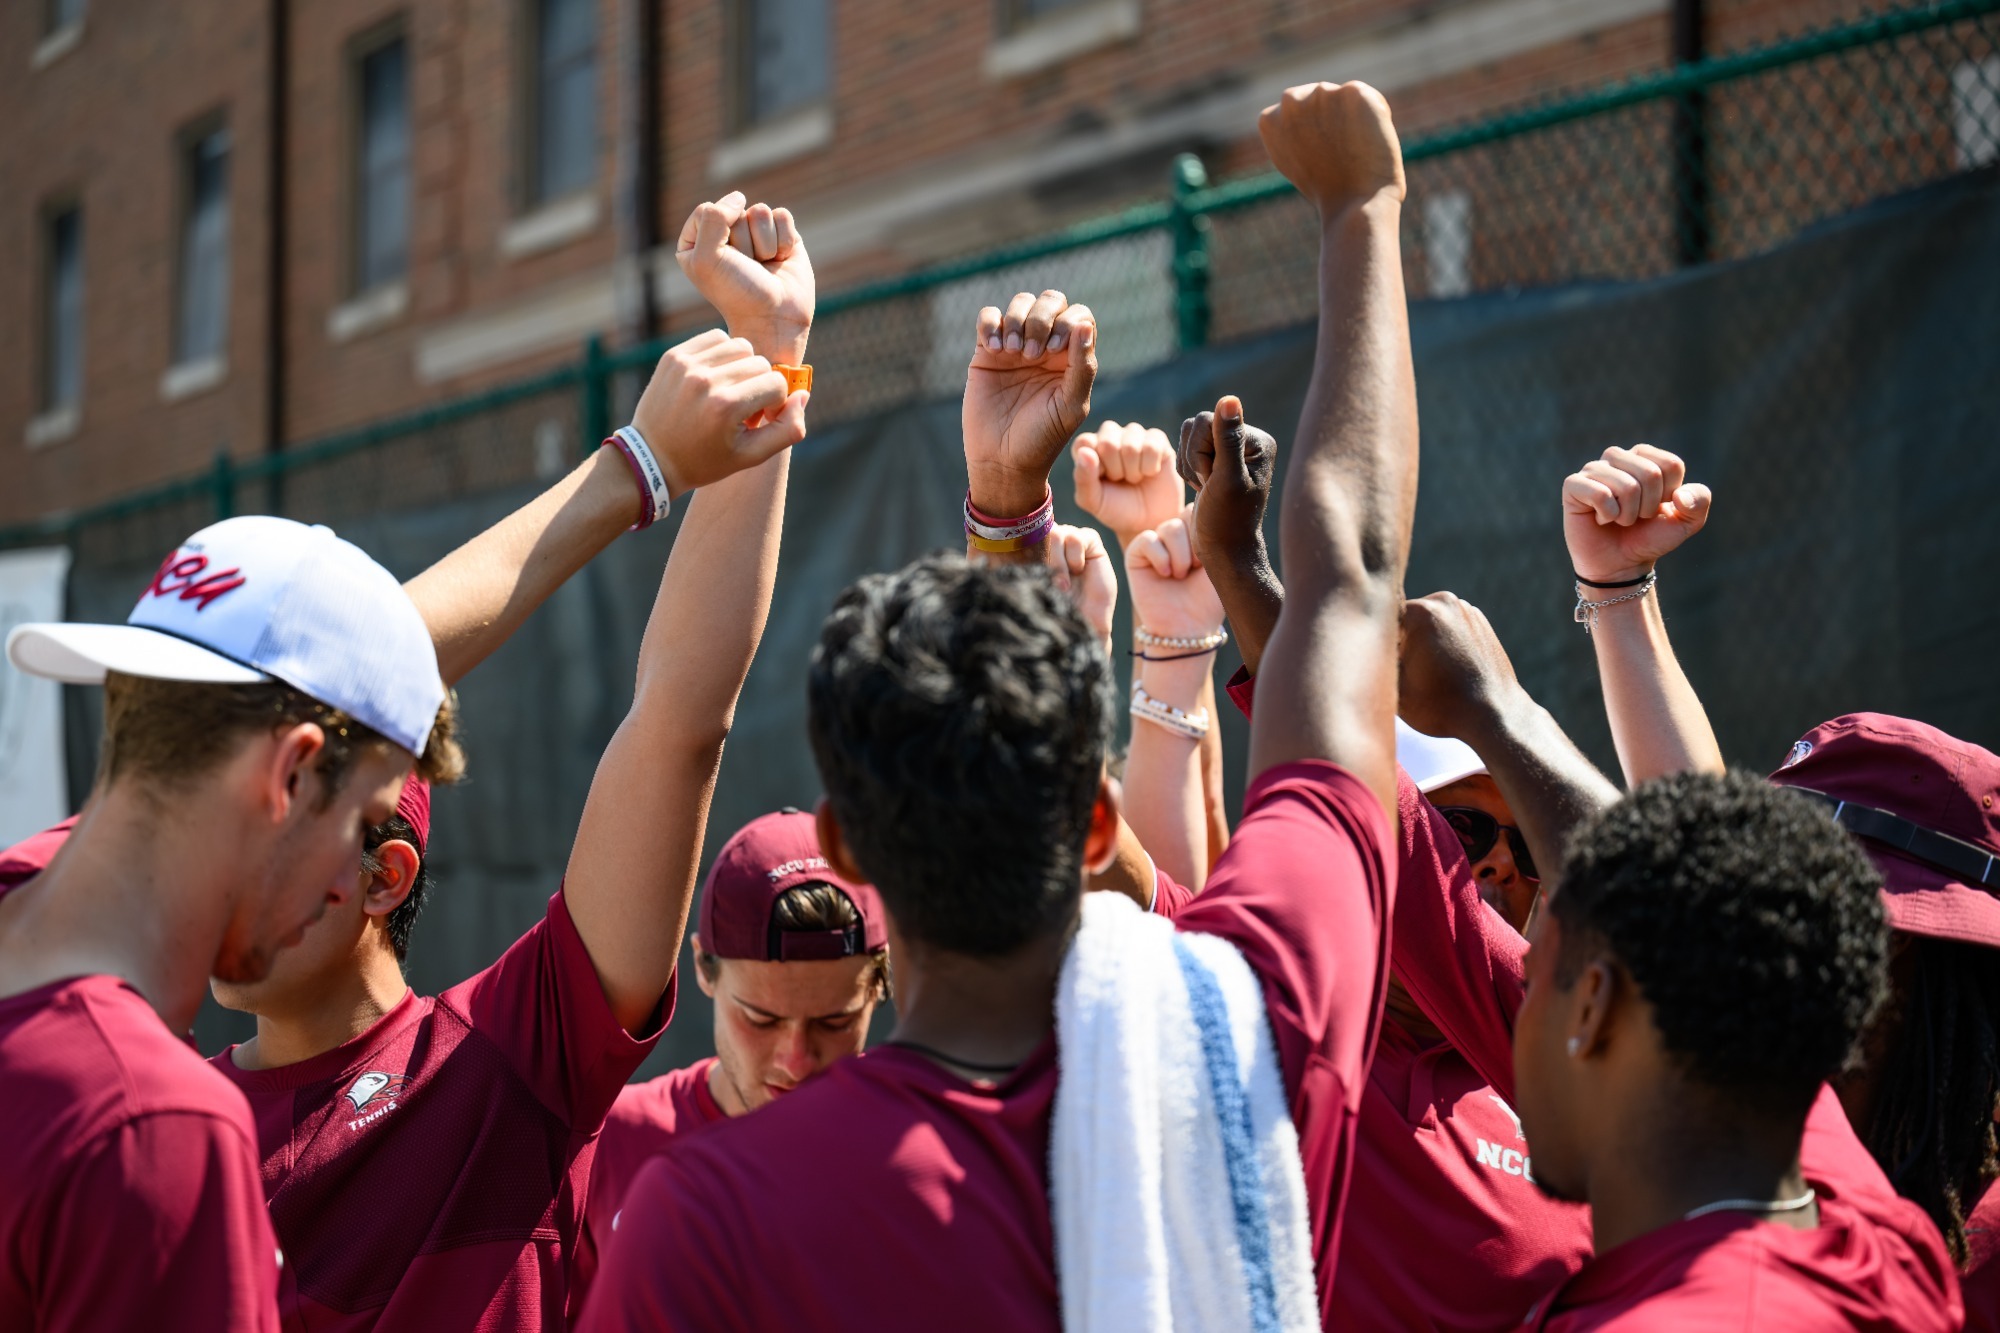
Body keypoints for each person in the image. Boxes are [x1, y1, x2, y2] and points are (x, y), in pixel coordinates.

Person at [582, 78, 1420, 1331]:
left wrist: (1004, 508)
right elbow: (1345, 586)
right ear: (1095, 825)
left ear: (848, 847)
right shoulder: (1260, 1016)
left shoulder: (708, 1220)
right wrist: (1362, 209)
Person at [0, 193, 816, 1331]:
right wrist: (640, 460)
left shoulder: (42, 927)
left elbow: (676, 714)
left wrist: (725, 408)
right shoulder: (150, 1121)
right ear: (287, 775)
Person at [1390, 572, 1961, 1327]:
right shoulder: (1877, 1233)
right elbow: (1697, 905)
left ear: (1593, 1005)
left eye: (1533, 982)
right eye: (1458, 830)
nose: (1511, 989)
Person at [1165, 398, 1599, 1328]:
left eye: (1525, 842)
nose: (1495, 875)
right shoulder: (1267, 1017)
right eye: (1461, 834)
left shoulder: (1562, 1053)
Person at [1562, 442, 2000, 1327]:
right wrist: (1615, 596)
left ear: (1915, 954)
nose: (1770, 944)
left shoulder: (1978, 1233)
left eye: (1818, 914)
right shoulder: (1754, 1126)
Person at [0, 514, 458, 1332]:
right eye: (366, 820)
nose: (344, 887)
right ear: (287, 773)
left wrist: (641, 469)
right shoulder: (149, 1127)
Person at [566, 809, 890, 1323]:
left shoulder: (924, 1148)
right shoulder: (610, 1142)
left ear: (879, 986)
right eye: (761, 1019)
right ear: (702, 968)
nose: (797, 1059)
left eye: (835, 1022)